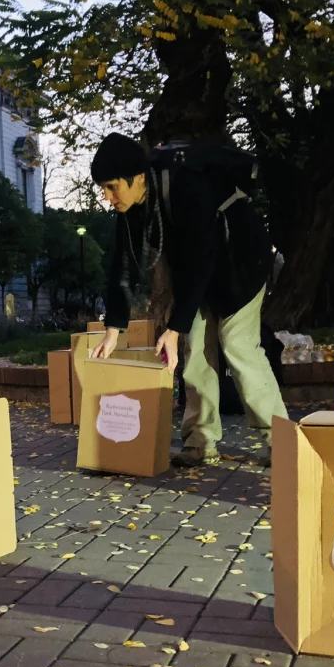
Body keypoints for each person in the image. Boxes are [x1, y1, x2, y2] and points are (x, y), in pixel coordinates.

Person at [88, 133, 287, 467]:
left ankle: (282, 441)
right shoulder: (132, 206)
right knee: (194, 351)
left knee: (237, 345)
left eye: (112, 187)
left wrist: (175, 325)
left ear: (137, 178)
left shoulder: (186, 186)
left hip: (241, 264)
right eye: (103, 189)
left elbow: (203, 257)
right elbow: (122, 263)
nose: (108, 198)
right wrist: (113, 329)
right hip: (198, 272)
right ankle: (200, 442)